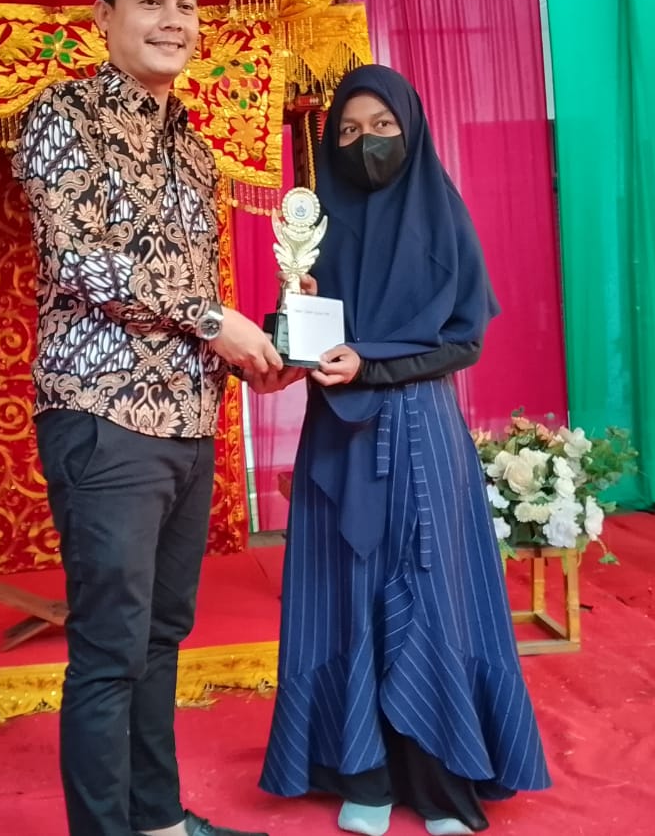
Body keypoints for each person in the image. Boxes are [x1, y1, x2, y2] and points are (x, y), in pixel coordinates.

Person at [14, 0, 281, 836]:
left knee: (162, 635)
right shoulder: (64, 115)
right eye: (151, 2)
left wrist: (251, 353)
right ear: (104, 16)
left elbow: (195, 295)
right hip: (104, 414)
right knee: (109, 646)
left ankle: (158, 820)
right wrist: (215, 321)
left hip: (188, 421)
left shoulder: (193, 149)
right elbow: (81, 260)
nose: (174, 21)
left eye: (187, 5)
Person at [259, 65, 551, 835]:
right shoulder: (318, 225)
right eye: (350, 131)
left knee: (428, 592)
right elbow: (298, 337)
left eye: (382, 127)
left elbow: (463, 341)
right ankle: (361, 770)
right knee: (343, 595)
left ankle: (438, 778)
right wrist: (292, 315)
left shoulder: (442, 216)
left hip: (421, 429)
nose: (367, 143)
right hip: (339, 431)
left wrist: (374, 362)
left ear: (411, 129)